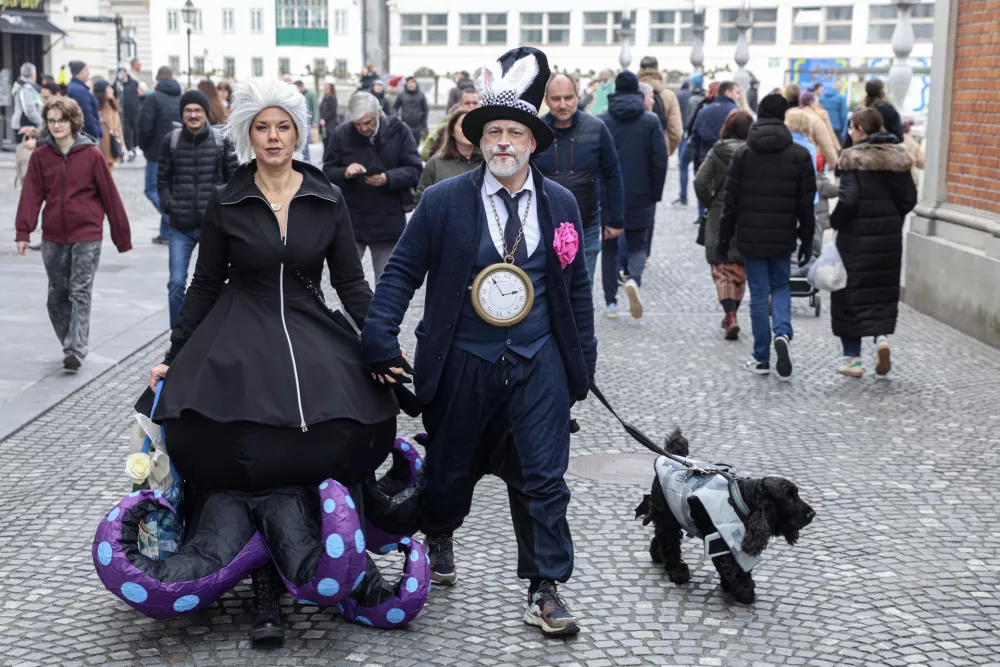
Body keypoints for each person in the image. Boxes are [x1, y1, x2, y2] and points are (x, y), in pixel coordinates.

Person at [146, 79, 400, 646]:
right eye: (262, 127)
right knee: (238, 452)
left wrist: (381, 342)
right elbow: (206, 282)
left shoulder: (327, 196)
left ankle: (353, 560)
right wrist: (174, 356)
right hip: (237, 327)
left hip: (310, 323)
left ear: (298, 131)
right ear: (246, 134)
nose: (273, 137)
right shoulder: (228, 199)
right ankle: (261, 584)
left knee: (351, 417)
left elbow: (353, 284)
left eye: (283, 126)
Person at [361, 46, 594, 637]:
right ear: (477, 141)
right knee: (447, 473)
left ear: (533, 142)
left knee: (543, 477)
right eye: (494, 132)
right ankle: (438, 530)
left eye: (516, 132)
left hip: (538, 361)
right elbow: (400, 274)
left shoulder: (561, 204)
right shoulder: (443, 202)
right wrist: (379, 336)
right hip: (462, 359)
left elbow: (578, 289)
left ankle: (545, 587)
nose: (504, 143)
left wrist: (581, 365)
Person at [15, 95, 131, 371]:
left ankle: (75, 348)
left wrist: (121, 236)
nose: (56, 125)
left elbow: (110, 196)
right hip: (53, 234)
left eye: (62, 120)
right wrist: (23, 232)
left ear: (73, 121)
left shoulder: (92, 154)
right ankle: (70, 339)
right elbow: (31, 195)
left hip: (87, 233)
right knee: (57, 295)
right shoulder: (41, 156)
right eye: (52, 121)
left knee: (80, 291)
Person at [717, 93, 816, 379]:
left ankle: (761, 357)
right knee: (780, 286)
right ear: (784, 115)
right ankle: (782, 333)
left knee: (759, 293)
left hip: (750, 235)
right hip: (784, 233)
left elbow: (730, 202)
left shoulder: (744, 153)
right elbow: (805, 204)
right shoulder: (799, 155)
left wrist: (724, 239)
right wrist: (807, 240)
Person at [829, 108, 916, 378]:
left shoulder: (852, 158)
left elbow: (848, 200)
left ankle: (852, 360)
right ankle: (881, 340)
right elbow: (909, 199)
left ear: (861, 131)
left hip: (855, 239)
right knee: (879, 291)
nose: (850, 134)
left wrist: (836, 222)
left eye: (853, 129)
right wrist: (892, 218)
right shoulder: (899, 157)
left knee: (849, 296)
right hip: (888, 239)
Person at [157, 89, 239, 329]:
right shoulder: (170, 141)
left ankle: (211, 330)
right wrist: (169, 205)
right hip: (180, 227)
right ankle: (178, 336)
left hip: (211, 226)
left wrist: (223, 211)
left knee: (216, 281)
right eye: (188, 110)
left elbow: (233, 179)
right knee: (176, 283)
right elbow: (162, 180)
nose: (193, 115)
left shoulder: (220, 141)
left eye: (198, 110)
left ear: (206, 113)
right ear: (182, 114)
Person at [323, 92, 422, 284]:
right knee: (348, 281)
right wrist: (345, 172)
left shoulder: (399, 130)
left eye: (368, 122)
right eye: (358, 124)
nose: (363, 129)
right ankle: (352, 316)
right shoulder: (342, 133)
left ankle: (382, 315)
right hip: (352, 219)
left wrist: (388, 178)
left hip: (388, 219)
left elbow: (415, 171)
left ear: (379, 112)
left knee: (387, 282)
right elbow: (326, 173)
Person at [535, 73, 624, 286]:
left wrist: (616, 220)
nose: (563, 104)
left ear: (577, 97)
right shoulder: (536, 132)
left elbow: (612, 174)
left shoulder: (596, 128)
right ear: (546, 100)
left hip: (587, 224)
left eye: (568, 97)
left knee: (582, 289)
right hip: (544, 226)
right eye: (556, 99)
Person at [599, 70, 667, 320]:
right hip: (641, 191)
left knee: (609, 247)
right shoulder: (650, 121)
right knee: (638, 243)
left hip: (609, 194)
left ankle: (610, 304)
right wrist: (655, 194)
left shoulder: (603, 120)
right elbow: (659, 160)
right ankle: (634, 280)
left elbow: (597, 162)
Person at [695, 109, 753, 340]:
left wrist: (710, 201)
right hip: (748, 215)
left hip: (720, 213)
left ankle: (730, 315)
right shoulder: (754, 152)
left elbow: (700, 181)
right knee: (739, 269)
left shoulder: (718, 151)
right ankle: (733, 314)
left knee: (722, 268)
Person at [139, 66, 182, 245]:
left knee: (151, 189)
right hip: (177, 150)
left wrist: (143, 145)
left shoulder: (153, 99)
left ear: (157, 78)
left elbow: (145, 126)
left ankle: (174, 219)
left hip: (157, 152)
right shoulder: (181, 98)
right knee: (166, 190)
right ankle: (165, 233)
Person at [415, 109, 483, 205]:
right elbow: (421, 199)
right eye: (462, 125)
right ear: (452, 131)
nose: (468, 129)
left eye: (473, 126)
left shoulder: (487, 163)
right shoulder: (435, 163)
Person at [637, 56, 683, 156]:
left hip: (634, 149)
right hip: (660, 149)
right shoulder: (669, 95)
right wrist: (667, 149)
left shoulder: (632, 92)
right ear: (657, 69)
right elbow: (676, 131)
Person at [690, 81, 741, 165]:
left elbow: (695, 136)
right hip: (730, 161)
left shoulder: (703, 111)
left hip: (707, 159)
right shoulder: (737, 112)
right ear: (728, 92)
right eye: (737, 92)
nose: (739, 96)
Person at [421, 87, 480, 160]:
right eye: (467, 103)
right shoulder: (447, 126)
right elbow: (426, 153)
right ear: (460, 105)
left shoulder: (486, 126)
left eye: (475, 103)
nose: (471, 106)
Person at [674, 73, 705, 207]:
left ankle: (683, 196)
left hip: (691, 138)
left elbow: (691, 121)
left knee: (683, 165)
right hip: (701, 138)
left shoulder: (693, 100)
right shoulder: (704, 97)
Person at [798, 91, 839, 168]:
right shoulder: (816, 119)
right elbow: (827, 146)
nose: (818, 104)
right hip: (810, 157)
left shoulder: (791, 115)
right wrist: (836, 166)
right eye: (817, 102)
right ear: (811, 102)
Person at [66, 60, 102, 140]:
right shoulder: (80, 91)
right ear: (79, 71)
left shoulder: (72, 87)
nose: (88, 73)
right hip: (87, 135)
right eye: (86, 70)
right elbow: (86, 114)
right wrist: (95, 132)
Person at [93, 80, 124, 168]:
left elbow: (118, 126)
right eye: (109, 88)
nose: (112, 90)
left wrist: (122, 143)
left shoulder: (112, 104)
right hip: (103, 142)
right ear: (102, 91)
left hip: (113, 141)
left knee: (110, 167)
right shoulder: (96, 105)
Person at [393, 76, 429, 144]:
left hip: (418, 126)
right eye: (409, 83)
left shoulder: (421, 95)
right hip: (405, 125)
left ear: (416, 84)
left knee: (416, 145)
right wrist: (396, 118)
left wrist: (423, 123)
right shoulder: (401, 95)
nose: (411, 84)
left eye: (413, 83)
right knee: (405, 144)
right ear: (406, 84)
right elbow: (395, 107)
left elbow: (425, 109)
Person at [12, 62, 44, 137]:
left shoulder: (26, 86)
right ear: (33, 74)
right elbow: (29, 108)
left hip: (26, 121)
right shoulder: (26, 88)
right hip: (26, 122)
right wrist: (40, 121)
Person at [120, 63, 142, 159]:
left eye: (122, 72)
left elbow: (140, 93)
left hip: (135, 110)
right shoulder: (118, 84)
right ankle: (130, 150)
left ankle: (135, 146)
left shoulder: (134, 82)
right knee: (127, 131)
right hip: (124, 112)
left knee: (136, 129)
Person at [294, 79, 319, 161]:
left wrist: (315, 121)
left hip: (307, 123)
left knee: (305, 145)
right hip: (300, 124)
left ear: (301, 86)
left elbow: (315, 108)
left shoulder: (310, 95)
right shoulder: (297, 95)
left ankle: (307, 163)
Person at [820, 80, 849, 144]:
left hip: (823, 126)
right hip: (836, 128)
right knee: (837, 147)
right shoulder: (841, 98)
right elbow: (843, 115)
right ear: (840, 88)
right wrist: (844, 128)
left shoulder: (822, 97)